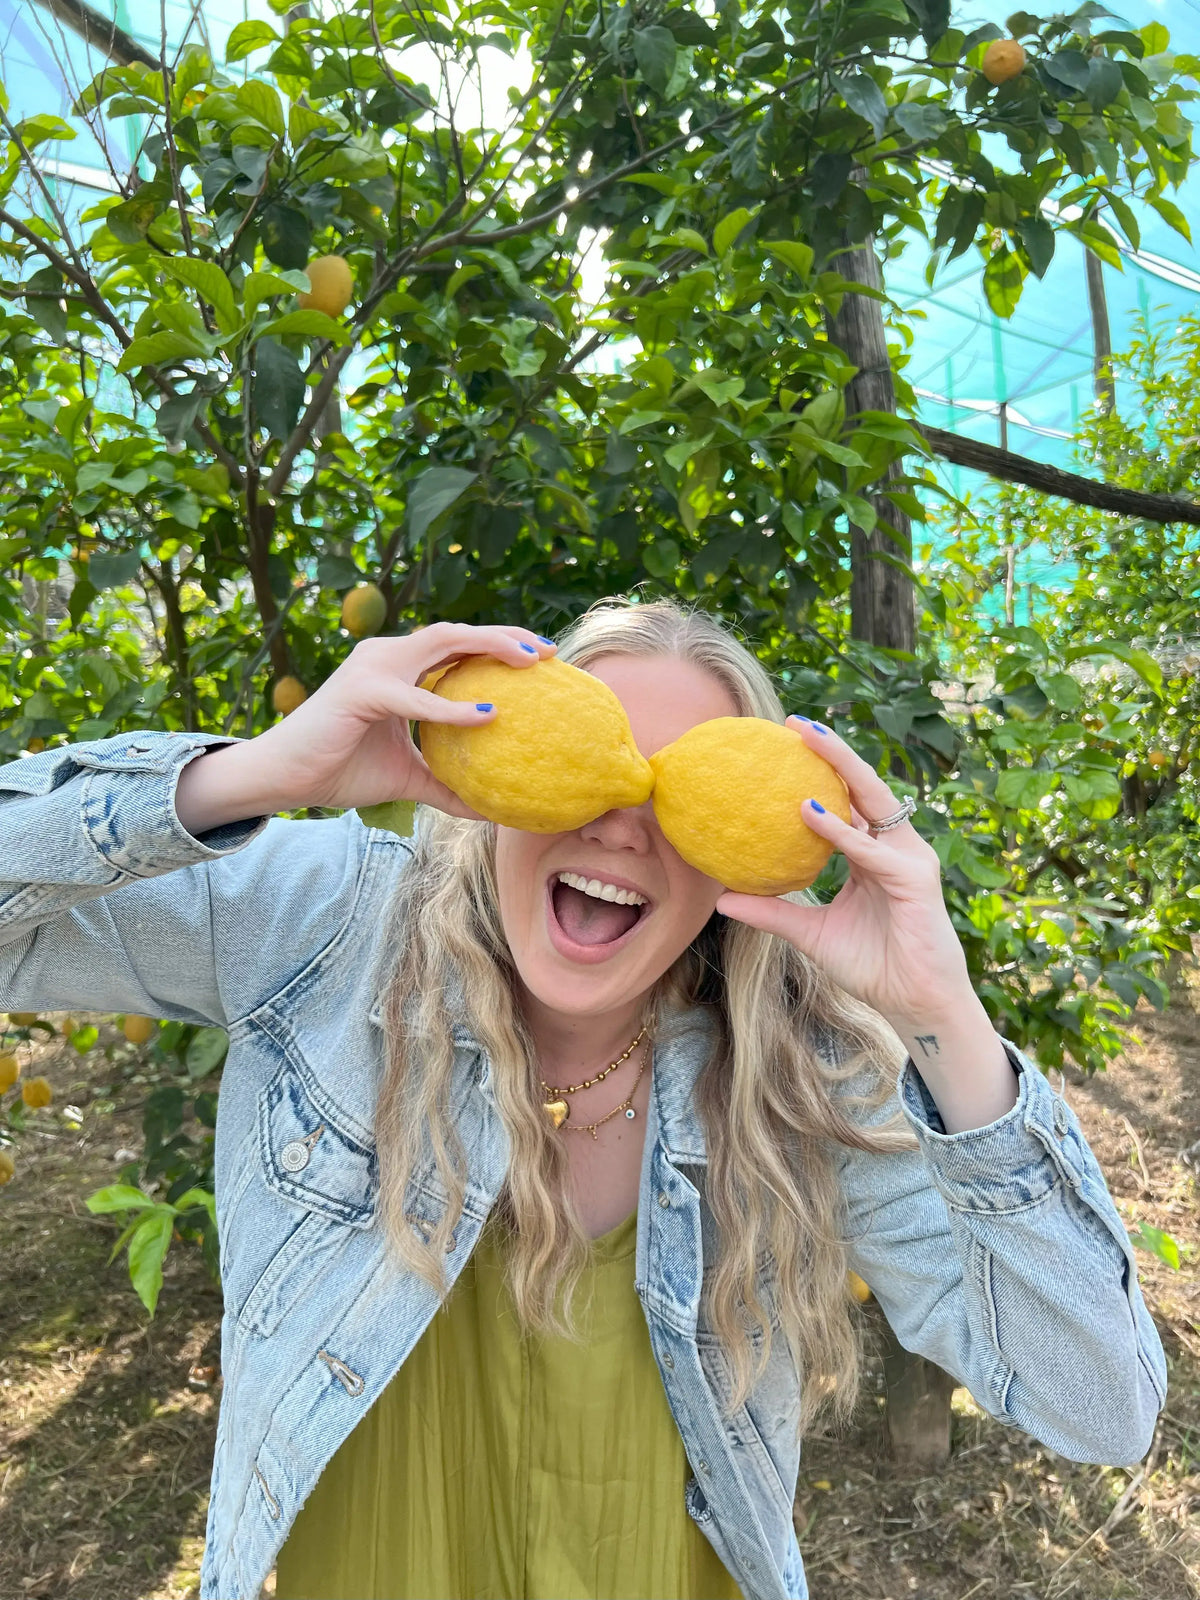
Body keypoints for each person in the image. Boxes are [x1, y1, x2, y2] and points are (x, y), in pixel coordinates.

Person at [0, 597, 1164, 1600]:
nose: (621, 821)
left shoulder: (797, 1072)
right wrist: (254, 773)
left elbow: (1102, 1405)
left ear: (744, 848)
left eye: (687, 795)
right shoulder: (328, 924)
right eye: (590, 762)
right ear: (492, 776)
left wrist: (946, 1020)